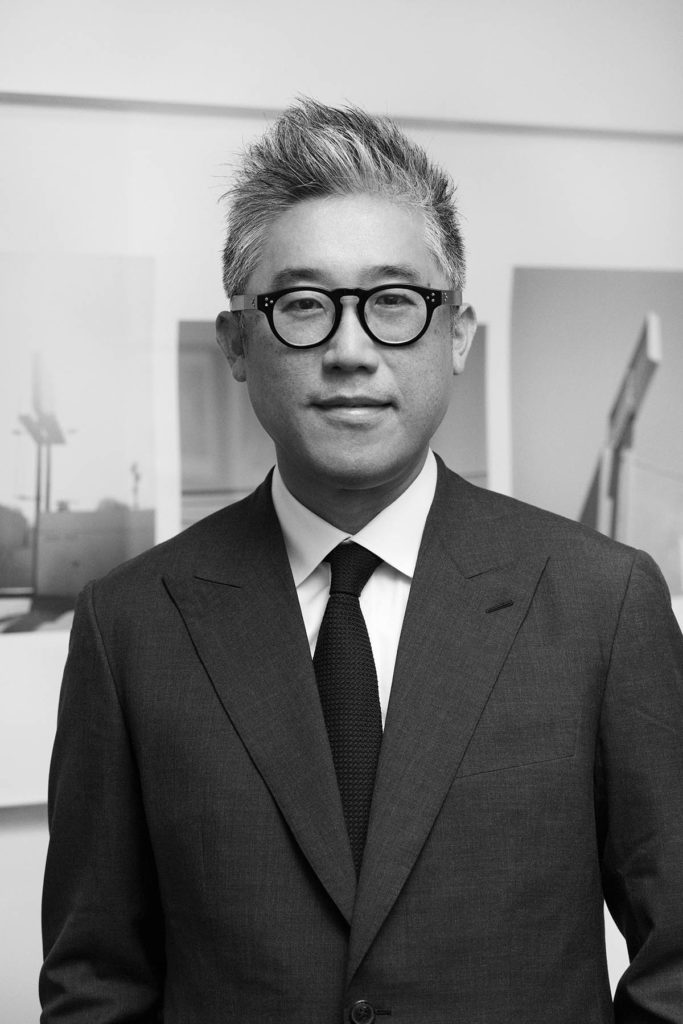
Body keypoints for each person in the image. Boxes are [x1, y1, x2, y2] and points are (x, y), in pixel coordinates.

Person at [40, 98, 683, 1024]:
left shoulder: (599, 600)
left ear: (455, 335)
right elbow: (96, 982)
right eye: (303, 305)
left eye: (393, 303)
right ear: (236, 346)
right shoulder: (131, 623)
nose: (349, 351)